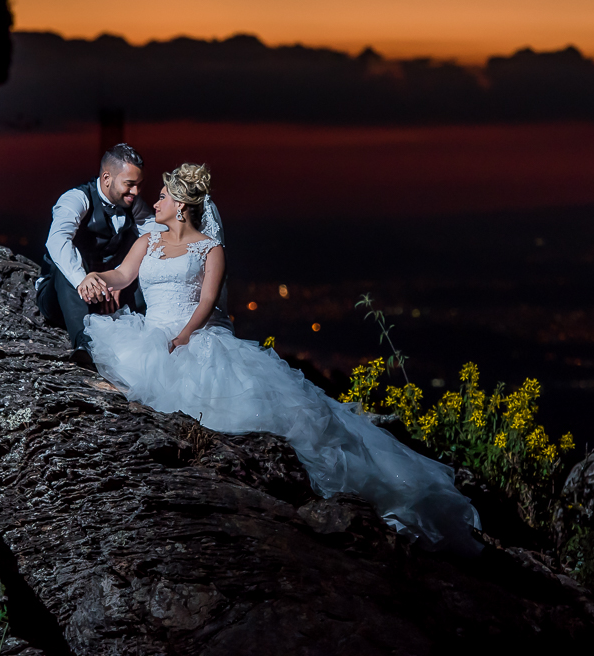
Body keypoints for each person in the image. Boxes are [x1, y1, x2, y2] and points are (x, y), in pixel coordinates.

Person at [79, 164, 482, 556]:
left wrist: (183, 337)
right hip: (151, 332)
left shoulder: (210, 249)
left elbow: (207, 301)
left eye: (163, 196)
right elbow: (123, 275)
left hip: (194, 335)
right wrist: (96, 277)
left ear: (181, 205)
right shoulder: (148, 240)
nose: (155, 202)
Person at [35, 143, 163, 359]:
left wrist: (118, 278)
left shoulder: (134, 204)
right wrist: (83, 281)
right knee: (65, 264)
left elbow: (157, 238)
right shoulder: (76, 198)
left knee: (149, 261)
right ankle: (84, 346)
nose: (136, 191)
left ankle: (151, 336)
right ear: (106, 178)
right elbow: (57, 241)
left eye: (139, 185)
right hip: (62, 297)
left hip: (107, 295)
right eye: (130, 184)